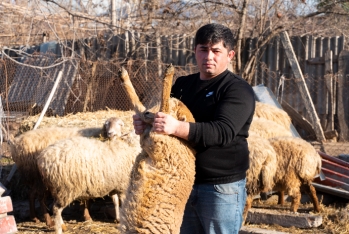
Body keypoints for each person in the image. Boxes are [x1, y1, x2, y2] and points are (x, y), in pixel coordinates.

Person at [133, 23, 255, 234]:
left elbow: (222, 132)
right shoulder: (182, 85)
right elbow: (165, 118)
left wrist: (176, 127)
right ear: (195, 52)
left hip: (220, 188)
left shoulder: (237, 90)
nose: (209, 56)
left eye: (216, 51)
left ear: (230, 55)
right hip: (180, 182)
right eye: (203, 50)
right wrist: (147, 123)